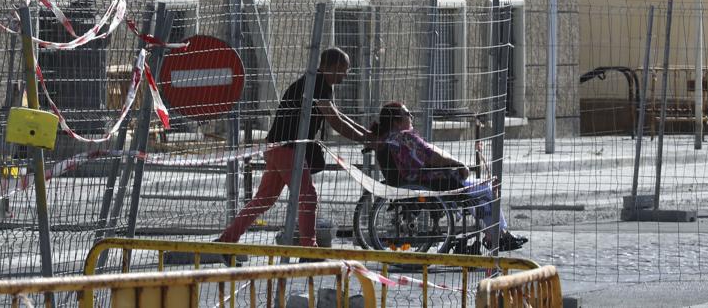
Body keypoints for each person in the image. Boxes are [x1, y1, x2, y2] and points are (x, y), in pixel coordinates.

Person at [217, 47, 371, 248]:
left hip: (277, 147)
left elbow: (337, 115)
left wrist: (366, 134)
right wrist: (364, 139)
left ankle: (226, 242)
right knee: (307, 196)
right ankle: (309, 247)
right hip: (286, 148)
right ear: (330, 67)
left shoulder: (320, 83)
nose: (346, 74)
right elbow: (335, 121)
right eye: (343, 69)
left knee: (264, 199)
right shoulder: (316, 83)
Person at [374, 101, 527, 252]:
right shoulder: (405, 137)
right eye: (407, 113)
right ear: (396, 121)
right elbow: (433, 156)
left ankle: (497, 234)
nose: (411, 116)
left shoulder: (389, 139)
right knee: (485, 189)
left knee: (480, 188)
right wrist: (458, 164)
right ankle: (496, 236)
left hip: (421, 181)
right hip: (433, 182)